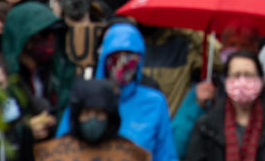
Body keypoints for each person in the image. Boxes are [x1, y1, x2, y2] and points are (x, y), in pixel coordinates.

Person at [56, 21, 177, 161]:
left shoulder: (154, 102)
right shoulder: (86, 94)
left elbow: (166, 154)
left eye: (129, 54)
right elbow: (61, 148)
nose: (122, 61)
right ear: (104, 58)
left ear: (140, 59)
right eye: (116, 54)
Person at [185, 51, 265, 161]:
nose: (242, 81)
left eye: (248, 75)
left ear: (261, 81)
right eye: (236, 75)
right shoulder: (205, 127)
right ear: (227, 81)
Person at [34, 78, 150, 161]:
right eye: (86, 113)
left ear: (110, 115)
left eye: (99, 113)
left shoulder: (131, 154)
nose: (92, 119)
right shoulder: (54, 152)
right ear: (76, 115)